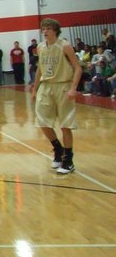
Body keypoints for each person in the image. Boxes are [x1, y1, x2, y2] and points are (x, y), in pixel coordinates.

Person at [31, 18, 82, 174]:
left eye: (48, 28)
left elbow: (78, 68)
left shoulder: (64, 46)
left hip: (63, 86)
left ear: (56, 31)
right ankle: (58, 149)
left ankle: (68, 160)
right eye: (43, 28)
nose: (45, 31)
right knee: (42, 121)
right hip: (46, 87)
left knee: (65, 124)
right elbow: (40, 68)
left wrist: (73, 88)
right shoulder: (40, 47)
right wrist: (35, 87)